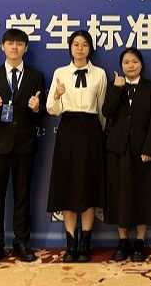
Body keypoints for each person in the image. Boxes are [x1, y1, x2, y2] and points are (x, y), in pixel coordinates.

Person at [0, 29, 46, 268]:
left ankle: (21, 243)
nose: (14, 47)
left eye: (19, 44)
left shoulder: (36, 76)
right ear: (2, 47)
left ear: (26, 48)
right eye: (10, 43)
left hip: (25, 145)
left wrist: (37, 108)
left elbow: (42, 113)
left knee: (22, 196)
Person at [46, 30, 107, 263]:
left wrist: (99, 134)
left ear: (90, 49)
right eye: (76, 44)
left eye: (84, 44)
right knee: (68, 186)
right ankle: (71, 243)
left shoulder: (99, 74)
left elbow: (102, 110)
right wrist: (57, 95)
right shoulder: (60, 73)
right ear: (70, 48)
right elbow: (52, 109)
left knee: (88, 185)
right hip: (68, 129)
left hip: (91, 130)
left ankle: (85, 243)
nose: (80, 48)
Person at [102, 47, 151, 262]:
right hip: (118, 150)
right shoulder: (115, 86)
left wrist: (150, 148)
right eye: (126, 62)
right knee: (120, 195)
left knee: (143, 195)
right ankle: (123, 241)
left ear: (141, 65)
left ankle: (140, 242)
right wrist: (117, 89)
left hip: (142, 150)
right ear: (121, 66)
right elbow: (107, 112)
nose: (131, 66)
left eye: (135, 62)